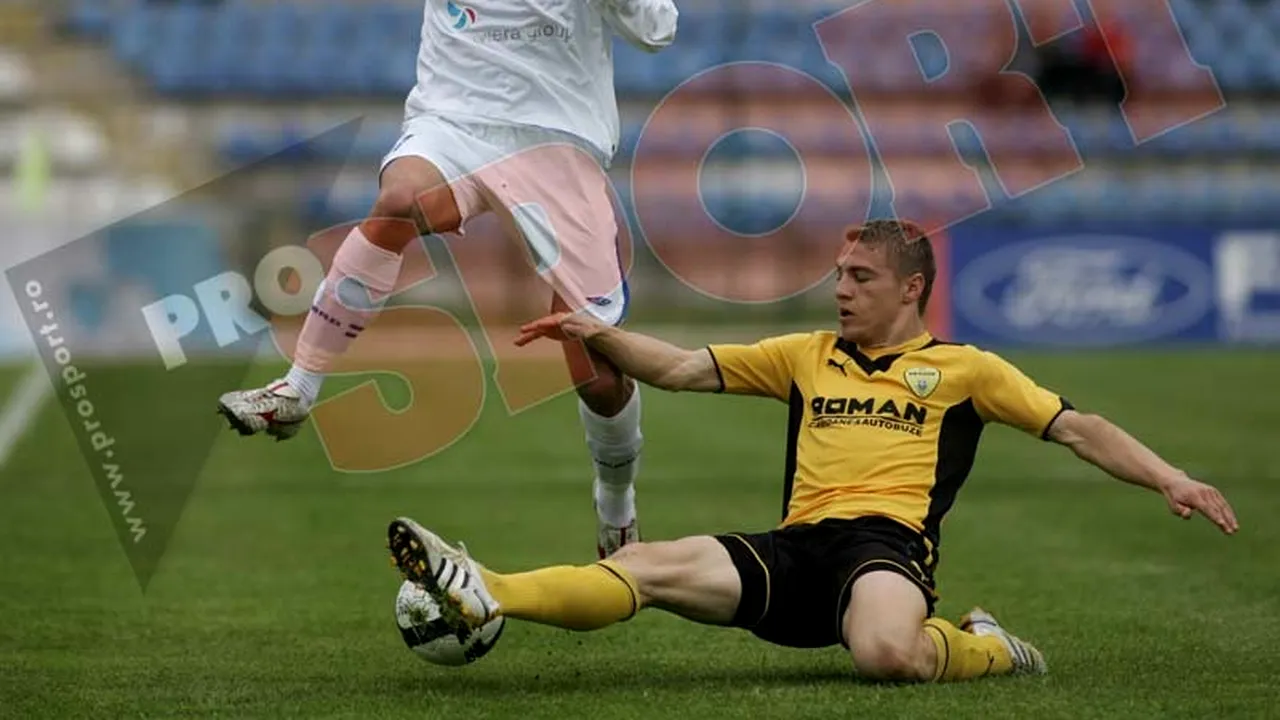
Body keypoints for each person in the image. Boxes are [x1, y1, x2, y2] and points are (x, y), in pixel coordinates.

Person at [385, 218, 1239, 683]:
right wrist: (597, 333)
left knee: (885, 655)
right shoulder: (806, 354)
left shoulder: (965, 370)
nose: (839, 289)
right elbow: (683, 368)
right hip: (792, 551)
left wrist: (1172, 477)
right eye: (837, 274)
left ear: (910, 289)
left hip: (885, 551)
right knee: (645, 567)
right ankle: (486, 588)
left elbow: (1077, 426)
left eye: (859, 278)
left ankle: (986, 644)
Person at [217, 0, 680, 558]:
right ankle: (298, 386)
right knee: (398, 200)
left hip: (557, 140)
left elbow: (659, 30)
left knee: (597, 373)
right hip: (453, 122)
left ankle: (617, 506)